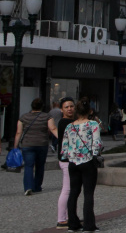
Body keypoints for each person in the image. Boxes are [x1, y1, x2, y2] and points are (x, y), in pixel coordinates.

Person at [62, 98, 102, 233]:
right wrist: (95, 154)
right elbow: (97, 143)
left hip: (73, 162)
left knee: (73, 192)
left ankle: (72, 224)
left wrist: (68, 156)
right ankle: (89, 225)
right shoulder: (93, 124)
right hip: (87, 161)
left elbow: (64, 147)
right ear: (89, 111)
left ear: (76, 111)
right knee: (88, 193)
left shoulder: (69, 126)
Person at [14, 98, 59, 195]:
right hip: (42, 144)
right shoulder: (47, 117)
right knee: (40, 166)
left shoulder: (23, 117)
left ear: (31, 106)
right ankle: (37, 186)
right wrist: (62, 138)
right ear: (42, 106)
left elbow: (18, 132)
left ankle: (28, 187)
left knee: (28, 166)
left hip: (27, 144)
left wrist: (15, 146)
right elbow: (53, 128)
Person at [56, 97, 76, 230]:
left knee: (70, 189)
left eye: (71, 106)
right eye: (66, 107)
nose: (69, 109)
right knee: (67, 189)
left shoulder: (70, 121)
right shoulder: (64, 122)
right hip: (66, 160)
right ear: (61, 109)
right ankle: (61, 219)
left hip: (70, 159)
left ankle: (69, 216)